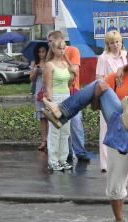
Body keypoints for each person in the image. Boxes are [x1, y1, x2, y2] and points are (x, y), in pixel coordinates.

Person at [42, 45, 128, 222]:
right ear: (127, 58)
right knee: (99, 85)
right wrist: (119, 74)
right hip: (119, 126)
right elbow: (95, 105)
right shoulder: (123, 76)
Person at [47, 31, 90, 162]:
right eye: (49, 42)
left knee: (74, 123)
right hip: (57, 94)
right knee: (58, 128)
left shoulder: (73, 50)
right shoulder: (51, 59)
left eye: (50, 41)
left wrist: (65, 56)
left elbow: (75, 70)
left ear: (60, 40)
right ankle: (64, 155)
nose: (48, 44)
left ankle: (79, 151)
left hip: (72, 91)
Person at [95, 31, 127, 172]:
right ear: (107, 44)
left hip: (126, 96)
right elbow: (99, 80)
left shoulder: (127, 55)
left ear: (121, 42)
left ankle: (127, 160)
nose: (115, 45)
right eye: (112, 42)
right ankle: (105, 163)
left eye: (117, 41)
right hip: (108, 97)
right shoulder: (103, 58)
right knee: (106, 129)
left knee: (126, 127)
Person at [42, 39, 75, 171]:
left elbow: (69, 82)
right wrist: (50, 103)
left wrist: (69, 62)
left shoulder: (65, 63)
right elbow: (48, 86)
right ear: (53, 50)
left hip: (66, 97)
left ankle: (62, 159)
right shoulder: (49, 65)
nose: (62, 51)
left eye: (63, 48)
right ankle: (53, 160)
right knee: (55, 130)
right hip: (55, 98)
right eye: (59, 48)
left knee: (65, 131)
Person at [30, 43, 49, 152]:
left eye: (43, 51)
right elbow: (31, 78)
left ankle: (50, 140)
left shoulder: (50, 62)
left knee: (50, 116)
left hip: (48, 90)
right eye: (39, 52)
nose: (41, 54)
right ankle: (44, 140)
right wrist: (36, 72)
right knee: (42, 117)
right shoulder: (34, 63)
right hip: (38, 91)